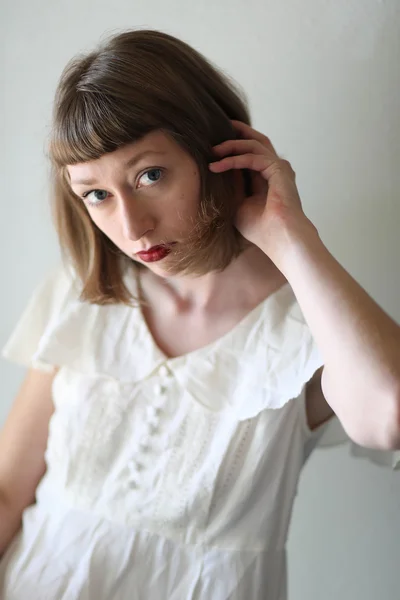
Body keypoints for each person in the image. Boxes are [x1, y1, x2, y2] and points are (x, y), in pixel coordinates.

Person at [0, 28, 399, 600]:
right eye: (96, 194)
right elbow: (9, 493)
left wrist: (288, 236)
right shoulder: (82, 295)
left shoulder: (304, 328)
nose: (131, 228)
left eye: (150, 176)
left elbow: (389, 414)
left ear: (218, 153)